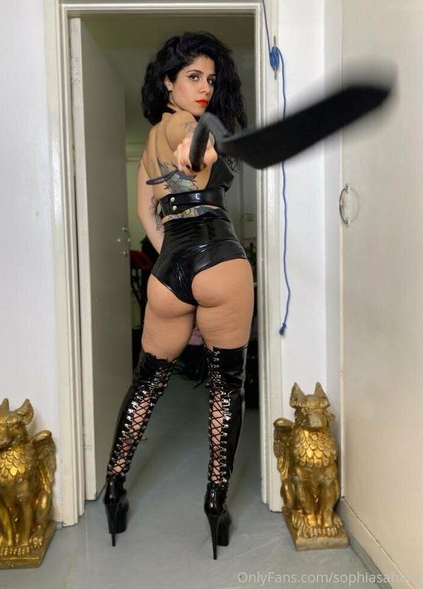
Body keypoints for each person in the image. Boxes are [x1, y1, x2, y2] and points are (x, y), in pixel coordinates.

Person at [104, 32, 254, 560]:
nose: (204, 87)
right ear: (168, 82)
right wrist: (200, 149)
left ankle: (114, 487)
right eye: (193, 76)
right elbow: (192, 146)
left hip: (170, 271)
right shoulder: (182, 124)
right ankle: (215, 503)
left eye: (210, 79)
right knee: (226, 389)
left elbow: (145, 213)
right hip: (220, 261)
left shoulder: (147, 145)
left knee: (146, 384)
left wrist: (173, 256)